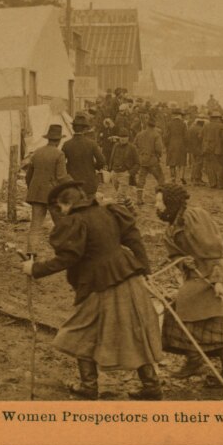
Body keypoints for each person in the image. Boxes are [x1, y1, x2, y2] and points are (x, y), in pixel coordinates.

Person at [22, 181, 163, 400]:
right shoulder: (108, 212)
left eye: (60, 208)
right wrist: (144, 268)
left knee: (81, 330)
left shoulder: (76, 221)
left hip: (102, 284)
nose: (60, 213)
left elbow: (69, 257)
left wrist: (35, 269)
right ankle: (151, 385)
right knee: (134, 329)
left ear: (67, 203)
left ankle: (89, 386)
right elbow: (133, 237)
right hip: (129, 276)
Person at [156, 183, 223, 387]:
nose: (157, 206)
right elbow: (175, 253)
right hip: (196, 275)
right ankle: (216, 364)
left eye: (159, 202)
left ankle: (211, 364)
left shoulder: (193, 217)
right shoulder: (172, 225)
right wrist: (182, 259)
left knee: (206, 314)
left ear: (170, 203)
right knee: (191, 312)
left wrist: (216, 281)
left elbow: (213, 250)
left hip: (212, 274)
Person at [24, 124, 70, 255]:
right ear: (59, 140)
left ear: (48, 138)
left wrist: (33, 189)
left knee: (35, 226)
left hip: (37, 194)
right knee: (60, 225)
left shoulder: (37, 152)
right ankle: (64, 251)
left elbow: (29, 176)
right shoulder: (59, 154)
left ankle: (31, 253)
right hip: (53, 195)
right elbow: (61, 177)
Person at [61, 114, 106, 198]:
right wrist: (93, 167)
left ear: (73, 128)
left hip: (72, 183)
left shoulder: (66, 144)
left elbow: (61, 163)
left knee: (75, 208)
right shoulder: (91, 143)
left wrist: (69, 168)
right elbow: (102, 161)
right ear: (85, 129)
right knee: (90, 208)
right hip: (89, 183)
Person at [133, 117, 165, 205]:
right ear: (155, 125)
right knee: (160, 179)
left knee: (141, 179)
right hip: (153, 160)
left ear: (146, 125)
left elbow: (134, 146)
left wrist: (140, 154)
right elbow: (158, 148)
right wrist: (158, 156)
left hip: (142, 160)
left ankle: (139, 199)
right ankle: (159, 198)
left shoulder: (140, 134)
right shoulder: (156, 134)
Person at [201, 110, 223, 189]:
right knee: (219, 166)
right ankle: (220, 184)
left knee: (209, 166)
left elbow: (200, 136)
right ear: (218, 118)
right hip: (217, 149)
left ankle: (212, 183)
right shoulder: (221, 126)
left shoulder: (206, 126)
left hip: (207, 148)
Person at [108, 128, 139, 195]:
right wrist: (111, 170)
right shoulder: (115, 146)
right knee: (120, 194)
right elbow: (112, 158)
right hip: (114, 174)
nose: (123, 139)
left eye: (125, 137)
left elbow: (138, 163)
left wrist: (129, 173)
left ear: (128, 138)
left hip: (124, 174)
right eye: (121, 137)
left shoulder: (132, 148)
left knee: (120, 195)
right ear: (119, 137)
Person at [163, 108, 188, 185]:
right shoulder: (183, 124)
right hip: (181, 145)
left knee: (172, 162)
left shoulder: (169, 124)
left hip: (171, 144)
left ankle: (173, 178)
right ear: (180, 115)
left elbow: (166, 136)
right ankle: (181, 176)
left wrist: (166, 144)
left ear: (173, 115)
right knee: (182, 161)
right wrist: (186, 145)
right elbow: (186, 136)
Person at [187, 116, 205, 185]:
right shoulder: (200, 129)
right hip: (198, 148)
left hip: (192, 148)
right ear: (201, 123)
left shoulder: (191, 128)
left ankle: (193, 177)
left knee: (194, 164)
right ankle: (197, 179)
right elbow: (200, 139)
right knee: (199, 164)